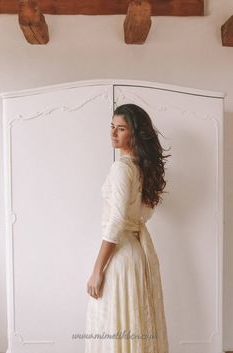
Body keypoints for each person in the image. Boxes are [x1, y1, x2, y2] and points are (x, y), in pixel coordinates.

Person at [85, 103, 171, 353]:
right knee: (132, 323)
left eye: (120, 129)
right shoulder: (143, 170)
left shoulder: (122, 169)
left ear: (134, 133)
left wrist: (97, 270)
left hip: (121, 256)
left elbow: (116, 221)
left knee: (113, 325)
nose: (113, 134)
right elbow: (144, 214)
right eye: (112, 127)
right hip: (136, 254)